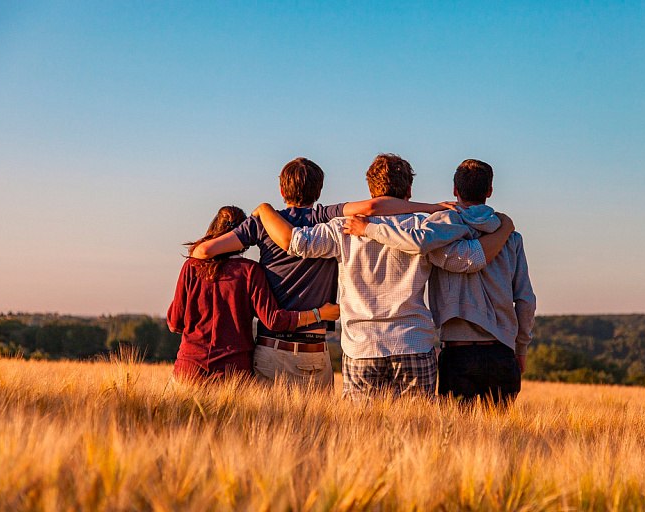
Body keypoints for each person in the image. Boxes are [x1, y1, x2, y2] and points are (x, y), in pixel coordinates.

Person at [253, 154, 515, 400]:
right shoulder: (424, 228)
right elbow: (468, 260)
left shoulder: (343, 228)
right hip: (413, 343)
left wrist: (265, 210)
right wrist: (504, 229)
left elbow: (296, 242)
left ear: (370, 191)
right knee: (417, 434)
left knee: (362, 435)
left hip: (361, 347)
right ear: (409, 192)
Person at [189, 157, 450, 388]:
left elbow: (203, 252)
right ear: (319, 190)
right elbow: (372, 208)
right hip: (314, 350)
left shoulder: (262, 222)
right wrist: (431, 208)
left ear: (282, 190)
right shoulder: (326, 217)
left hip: (271, 347)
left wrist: (261, 212)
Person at [344, 159, 535, 406]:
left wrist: (369, 229)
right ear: (489, 191)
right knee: (501, 440)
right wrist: (521, 347)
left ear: (455, 190)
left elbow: (421, 244)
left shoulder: (437, 230)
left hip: (458, 353)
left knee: (454, 438)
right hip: (502, 352)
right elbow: (525, 300)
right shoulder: (511, 237)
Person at [167, 206, 340, 384]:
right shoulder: (250, 271)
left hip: (189, 370)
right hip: (233, 374)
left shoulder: (191, 267)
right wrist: (319, 314)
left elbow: (175, 323)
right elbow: (274, 320)